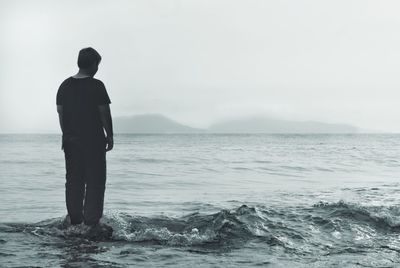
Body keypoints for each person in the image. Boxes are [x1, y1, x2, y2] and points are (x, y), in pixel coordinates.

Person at [56, 47, 113, 226]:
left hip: (71, 141)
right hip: (94, 141)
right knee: (95, 182)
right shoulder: (97, 85)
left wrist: (67, 134)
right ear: (94, 64)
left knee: (74, 181)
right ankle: (91, 222)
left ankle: (74, 221)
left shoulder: (64, 85)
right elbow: (104, 112)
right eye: (98, 64)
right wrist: (110, 135)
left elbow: (61, 113)